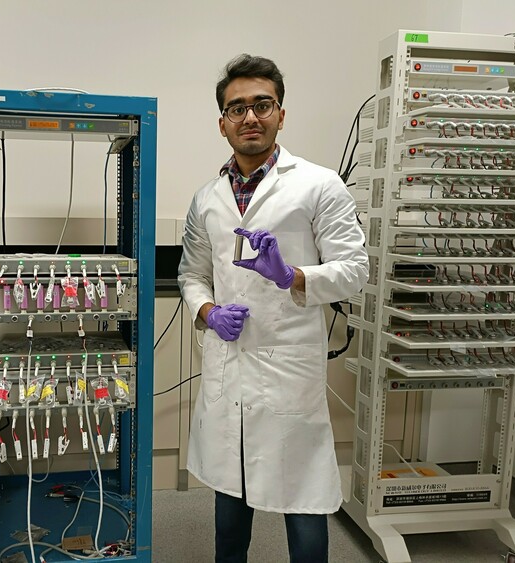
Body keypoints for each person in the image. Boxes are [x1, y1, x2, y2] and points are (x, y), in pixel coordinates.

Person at [177, 54, 369, 563]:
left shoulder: (319, 185)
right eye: (237, 108)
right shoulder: (206, 199)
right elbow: (191, 275)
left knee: (304, 502)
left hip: (288, 370)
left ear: (281, 114)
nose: (250, 117)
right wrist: (207, 313)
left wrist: (294, 277)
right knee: (229, 503)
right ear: (222, 123)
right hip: (230, 364)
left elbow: (355, 270)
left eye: (262, 104)